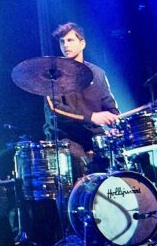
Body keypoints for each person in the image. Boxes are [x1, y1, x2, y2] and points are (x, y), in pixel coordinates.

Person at [44, 22, 121, 179]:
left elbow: (110, 107)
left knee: (119, 159)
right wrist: (91, 117)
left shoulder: (98, 74)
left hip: (94, 137)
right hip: (66, 138)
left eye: (70, 40)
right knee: (81, 163)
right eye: (62, 41)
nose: (65, 45)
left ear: (82, 43)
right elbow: (55, 109)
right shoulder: (52, 75)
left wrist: (115, 125)